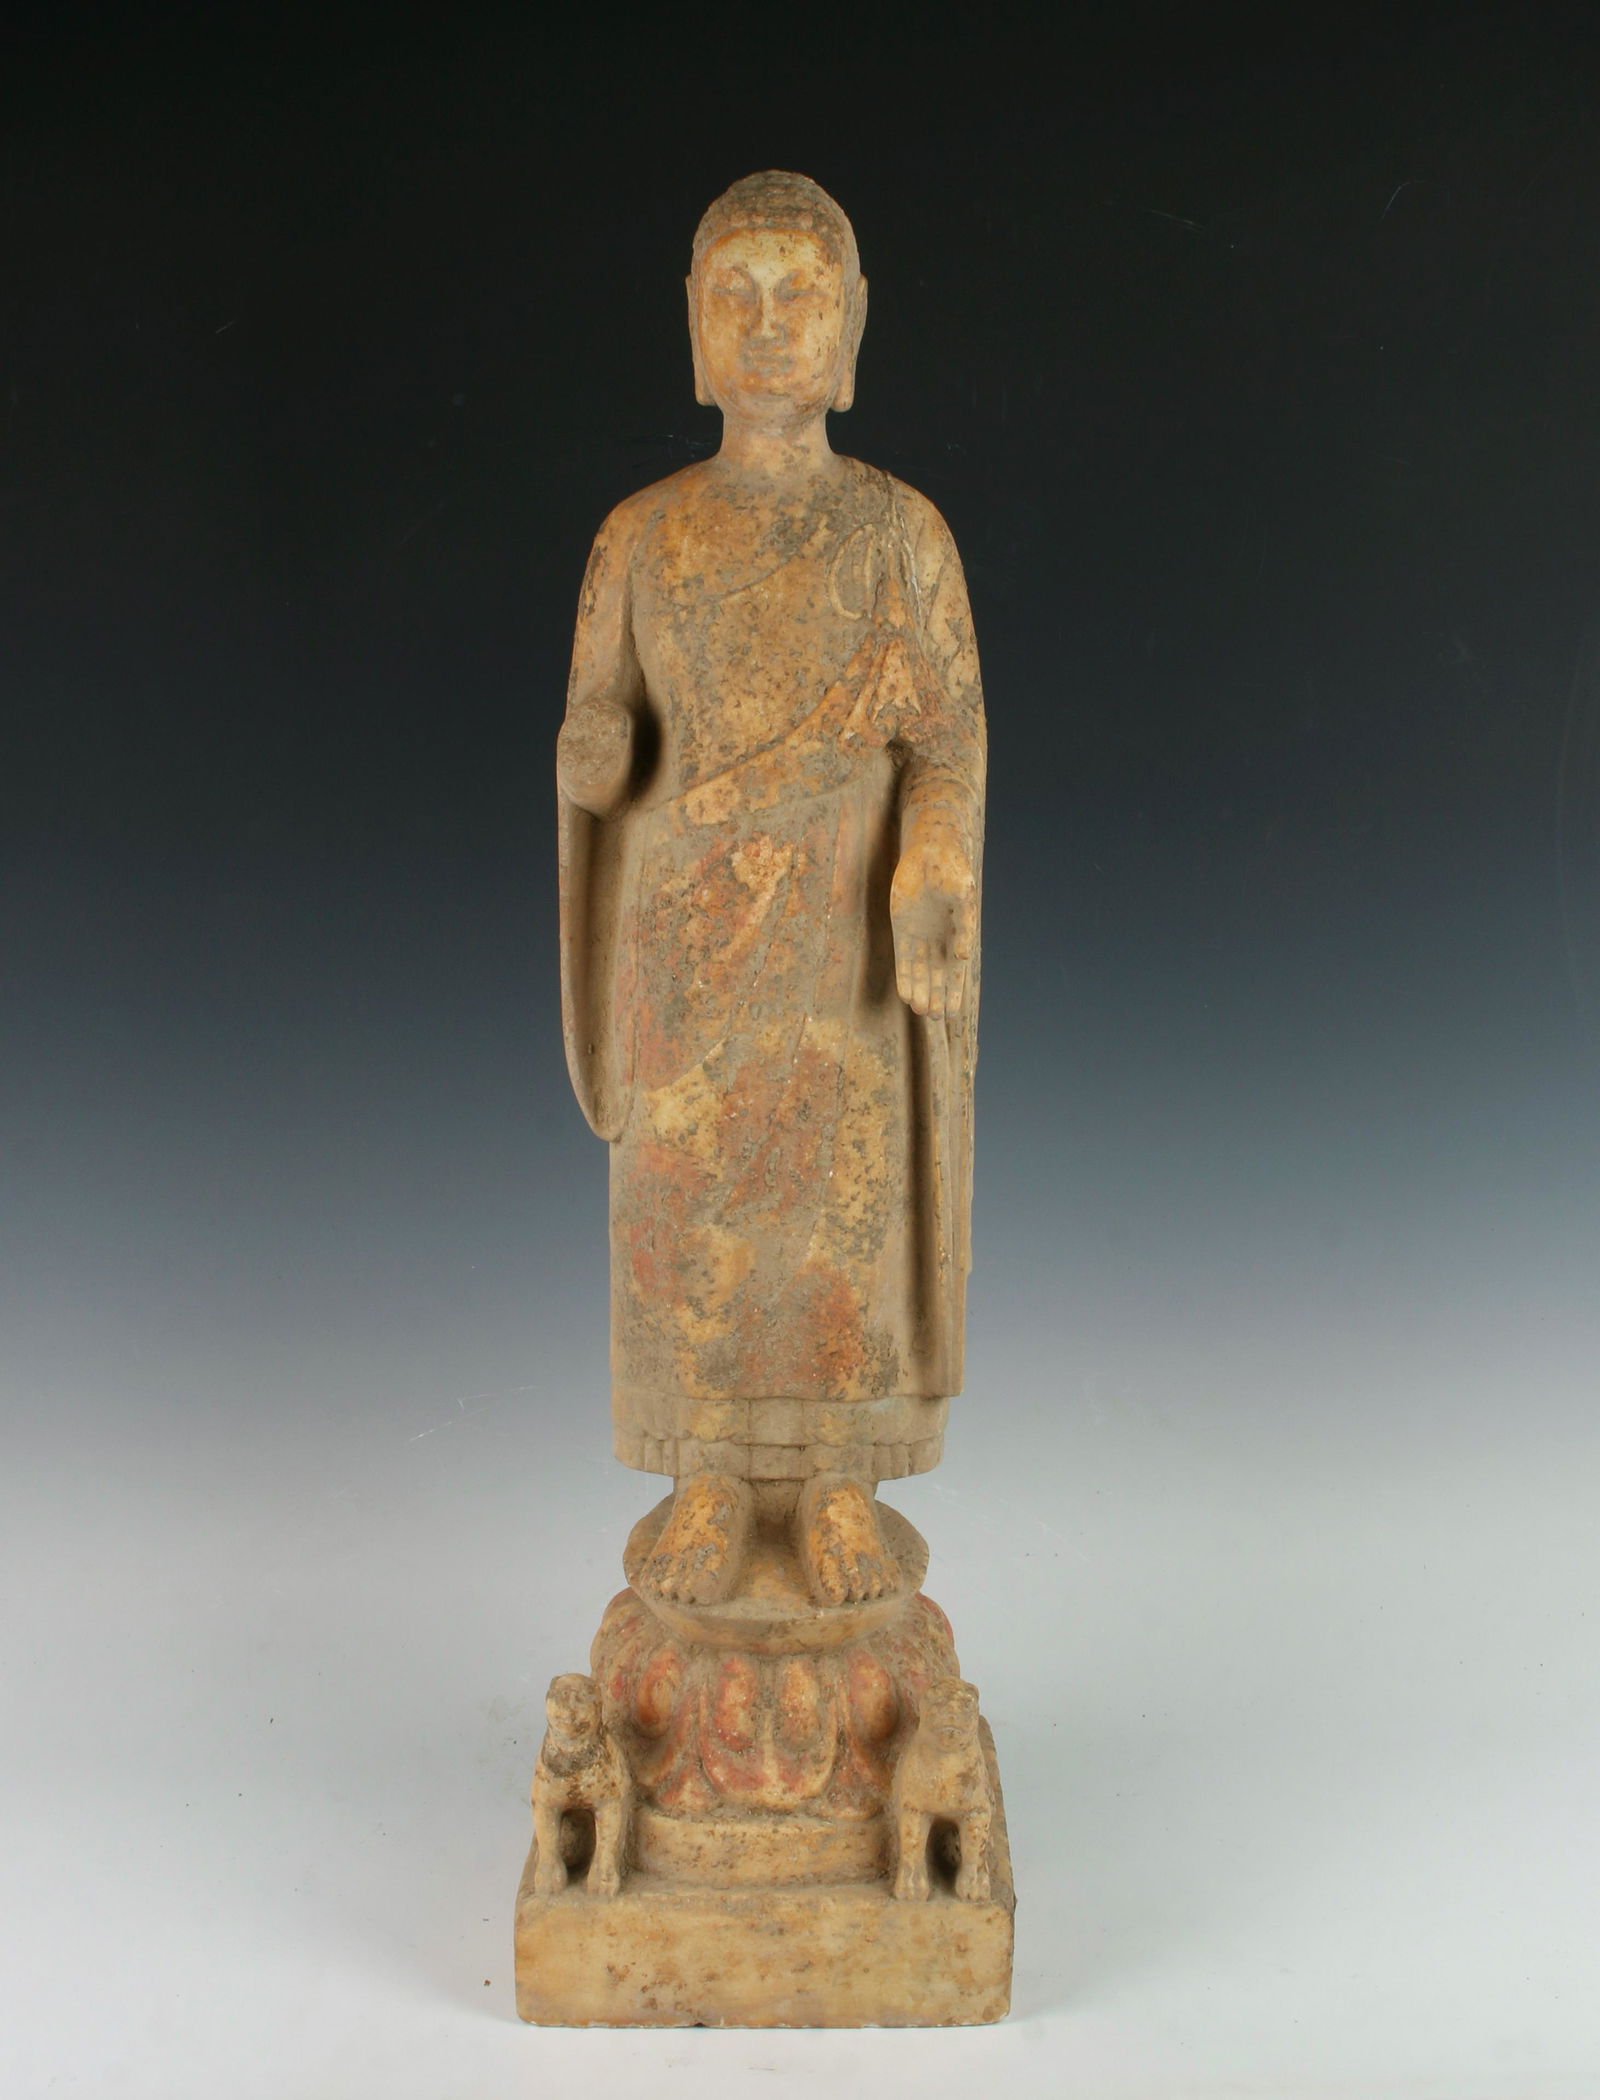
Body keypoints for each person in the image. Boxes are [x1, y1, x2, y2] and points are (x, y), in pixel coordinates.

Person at [557, 172, 985, 1607]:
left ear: (852, 327)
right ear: (691, 326)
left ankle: (838, 1480)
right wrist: (592, 754)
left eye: (801, 295)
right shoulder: (642, 535)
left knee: (839, 1212)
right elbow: (601, 729)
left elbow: (947, 743)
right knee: (687, 1203)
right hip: (684, 937)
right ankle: (713, 1479)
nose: (768, 323)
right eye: (734, 294)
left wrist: (933, 857)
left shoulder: (902, 535)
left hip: (843, 932)